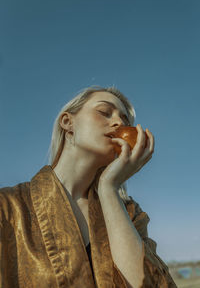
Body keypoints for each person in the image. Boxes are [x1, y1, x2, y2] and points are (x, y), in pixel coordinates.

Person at [0, 85, 177, 288]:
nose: (119, 122)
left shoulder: (130, 212)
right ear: (67, 122)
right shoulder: (8, 206)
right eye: (104, 112)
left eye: (125, 120)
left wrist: (109, 189)